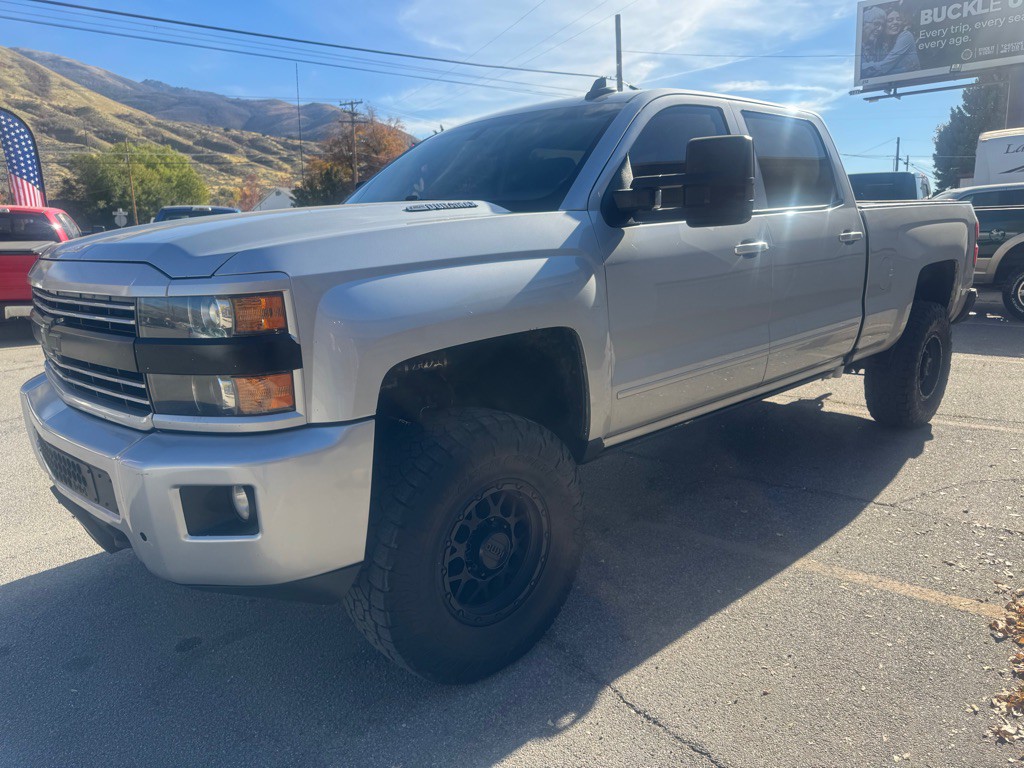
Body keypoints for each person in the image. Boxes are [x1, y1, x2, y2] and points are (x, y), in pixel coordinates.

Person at [863, 8, 921, 77]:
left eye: (898, 19)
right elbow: (881, 70)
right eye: (890, 20)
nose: (895, 22)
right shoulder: (878, 43)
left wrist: (863, 68)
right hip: (887, 84)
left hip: (911, 82)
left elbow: (885, 66)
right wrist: (903, 69)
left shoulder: (906, 36)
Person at [860, 6, 887, 72]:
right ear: (864, 24)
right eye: (876, 24)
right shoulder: (856, 47)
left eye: (882, 25)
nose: (880, 29)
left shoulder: (880, 47)